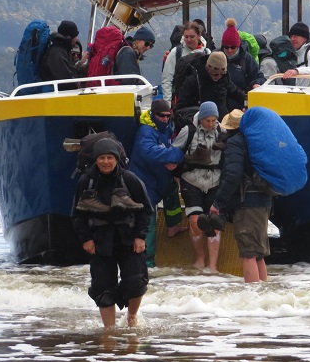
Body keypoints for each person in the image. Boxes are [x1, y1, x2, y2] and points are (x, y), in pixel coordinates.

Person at [72, 137, 154, 328]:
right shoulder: (86, 182)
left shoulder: (130, 180)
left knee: (136, 283)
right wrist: (86, 239)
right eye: (102, 158)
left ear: (117, 159)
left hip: (129, 239)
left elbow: (146, 210)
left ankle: (132, 317)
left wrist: (140, 236)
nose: (106, 162)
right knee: (103, 288)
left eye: (110, 157)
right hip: (100, 241)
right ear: (96, 160)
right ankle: (109, 330)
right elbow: (77, 215)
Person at [206, 109, 273, 283]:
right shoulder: (255, 140)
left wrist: (218, 203)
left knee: (248, 255)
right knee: (258, 254)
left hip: (247, 204)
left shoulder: (236, 143)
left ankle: (252, 301)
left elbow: (233, 175)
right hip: (264, 200)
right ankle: (264, 296)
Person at [129, 99, 186, 267]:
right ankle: (147, 262)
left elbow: (164, 148)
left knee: (172, 191)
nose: (166, 119)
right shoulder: (146, 131)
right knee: (149, 220)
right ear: (153, 115)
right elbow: (150, 152)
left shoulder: (166, 127)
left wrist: (171, 160)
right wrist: (176, 156)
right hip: (145, 182)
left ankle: (173, 226)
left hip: (159, 177)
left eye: (169, 116)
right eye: (162, 116)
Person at [171, 101, 225, 271]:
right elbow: (174, 151)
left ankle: (213, 266)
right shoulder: (188, 131)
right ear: (201, 118)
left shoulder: (221, 131)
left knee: (214, 221)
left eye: (213, 120)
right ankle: (200, 259)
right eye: (207, 120)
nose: (211, 124)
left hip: (215, 179)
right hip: (191, 179)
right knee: (196, 221)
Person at [174, 51, 247, 121]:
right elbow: (182, 106)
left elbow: (235, 92)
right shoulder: (194, 80)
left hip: (221, 120)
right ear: (207, 68)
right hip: (201, 121)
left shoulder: (224, 78)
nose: (218, 77)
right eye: (215, 74)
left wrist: (247, 102)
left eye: (221, 74)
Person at [220, 18, 265, 110]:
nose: (229, 50)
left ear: (238, 46)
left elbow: (259, 77)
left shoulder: (247, 59)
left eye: (233, 47)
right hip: (219, 107)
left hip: (240, 106)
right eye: (226, 47)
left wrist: (256, 83)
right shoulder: (216, 57)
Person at [161, 21, 210, 105]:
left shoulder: (207, 53)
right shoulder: (176, 53)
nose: (189, 40)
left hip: (202, 101)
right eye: (186, 37)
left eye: (192, 36)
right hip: (180, 102)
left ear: (199, 36)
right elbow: (167, 80)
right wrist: (167, 105)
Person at [41, 20, 87, 90]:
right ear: (69, 37)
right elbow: (66, 81)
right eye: (75, 36)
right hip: (54, 94)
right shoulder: (57, 53)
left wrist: (79, 63)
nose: (77, 38)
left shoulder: (61, 49)